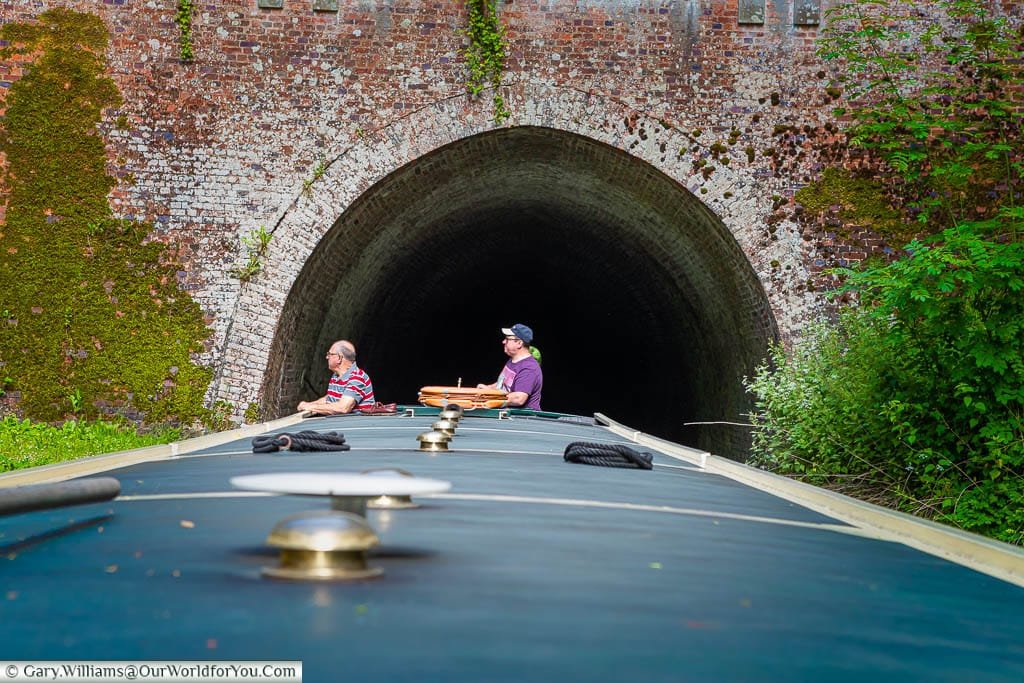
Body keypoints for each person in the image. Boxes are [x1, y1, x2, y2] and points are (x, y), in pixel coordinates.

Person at [297, 340, 375, 415]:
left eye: (330, 354)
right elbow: (330, 399)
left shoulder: (357, 377)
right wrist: (309, 404)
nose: (327, 357)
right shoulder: (336, 375)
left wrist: (311, 407)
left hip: (357, 425)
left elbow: (343, 408)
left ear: (339, 358)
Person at [477, 323, 543, 410]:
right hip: (506, 414)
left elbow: (519, 398)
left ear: (519, 343)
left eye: (507, 339)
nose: (503, 342)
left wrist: (489, 396)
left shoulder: (529, 368)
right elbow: (503, 383)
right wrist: (487, 389)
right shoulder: (513, 360)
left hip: (522, 419)